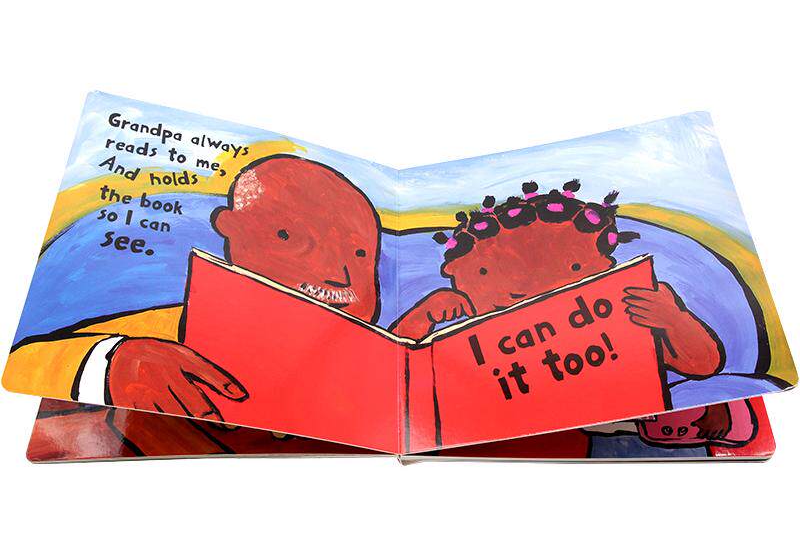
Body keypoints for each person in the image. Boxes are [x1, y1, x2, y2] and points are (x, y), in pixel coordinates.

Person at [7, 155, 383, 422]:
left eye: (360, 253)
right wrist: (115, 365)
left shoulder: (374, 365)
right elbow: (26, 362)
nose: (339, 274)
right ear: (231, 230)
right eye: (291, 238)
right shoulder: (169, 330)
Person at [390, 179, 724, 379]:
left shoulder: (624, 311)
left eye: (572, 268)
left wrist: (674, 321)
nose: (524, 288)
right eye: (489, 272)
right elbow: (395, 377)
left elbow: (702, 365)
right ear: (456, 274)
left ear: (604, 268)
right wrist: (423, 317)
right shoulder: (465, 334)